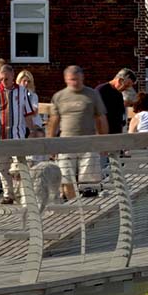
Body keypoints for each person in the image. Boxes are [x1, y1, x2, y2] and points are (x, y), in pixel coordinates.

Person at [46, 65, 108, 199]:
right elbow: (53, 121)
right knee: (66, 176)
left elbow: (100, 117)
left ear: (82, 78)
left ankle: (87, 206)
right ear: (66, 79)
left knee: (89, 180)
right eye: (72, 79)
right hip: (66, 142)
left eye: (78, 79)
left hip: (88, 142)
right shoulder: (59, 96)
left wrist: (104, 140)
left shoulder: (92, 94)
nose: (75, 82)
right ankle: (72, 205)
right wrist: (50, 142)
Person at [0, 62, 34, 204]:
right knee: (3, 167)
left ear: (13, 76)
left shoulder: (21, 92)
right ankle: (8, 194)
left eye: (6, 79)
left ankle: (21, 193)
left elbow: (27, 113)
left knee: (19, 165)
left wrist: (31, 131)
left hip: (17, 135)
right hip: (1, 135)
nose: (4, 82)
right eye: (1, 79)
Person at [95, 68, 137, 136]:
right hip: (104, 135)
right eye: (126, 86)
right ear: (120, 80)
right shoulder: (101, 91)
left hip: (117, 134)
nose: (126, 89)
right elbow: (97, 115)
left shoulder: (119, 94)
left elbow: (120, 113)